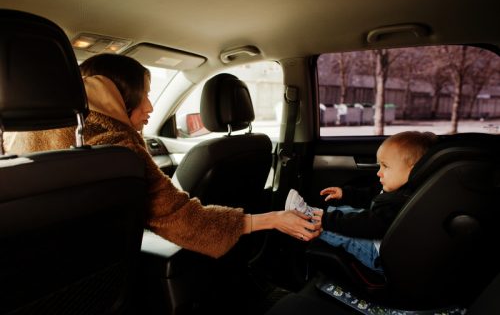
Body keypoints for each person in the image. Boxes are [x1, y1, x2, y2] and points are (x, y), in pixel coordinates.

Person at [5, 53, 322, 258]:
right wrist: (272, 219)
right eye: (143, 95)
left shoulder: (14, 149)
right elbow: (186, 221)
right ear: (117, 97)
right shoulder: (119, 152)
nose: (150, 108)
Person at [285, 131, 437, 273]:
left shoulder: (400, 202)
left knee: (343, 231)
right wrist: (345, 194)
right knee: (346, 211)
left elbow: (369, 224)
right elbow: (371, 196)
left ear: (413, 170)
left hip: (378, 254)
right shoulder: (401, 190)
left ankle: (311, 222)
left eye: (386, 166)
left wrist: (327, 221)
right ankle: (316, 213)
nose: (379, 172)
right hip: (383, 235)